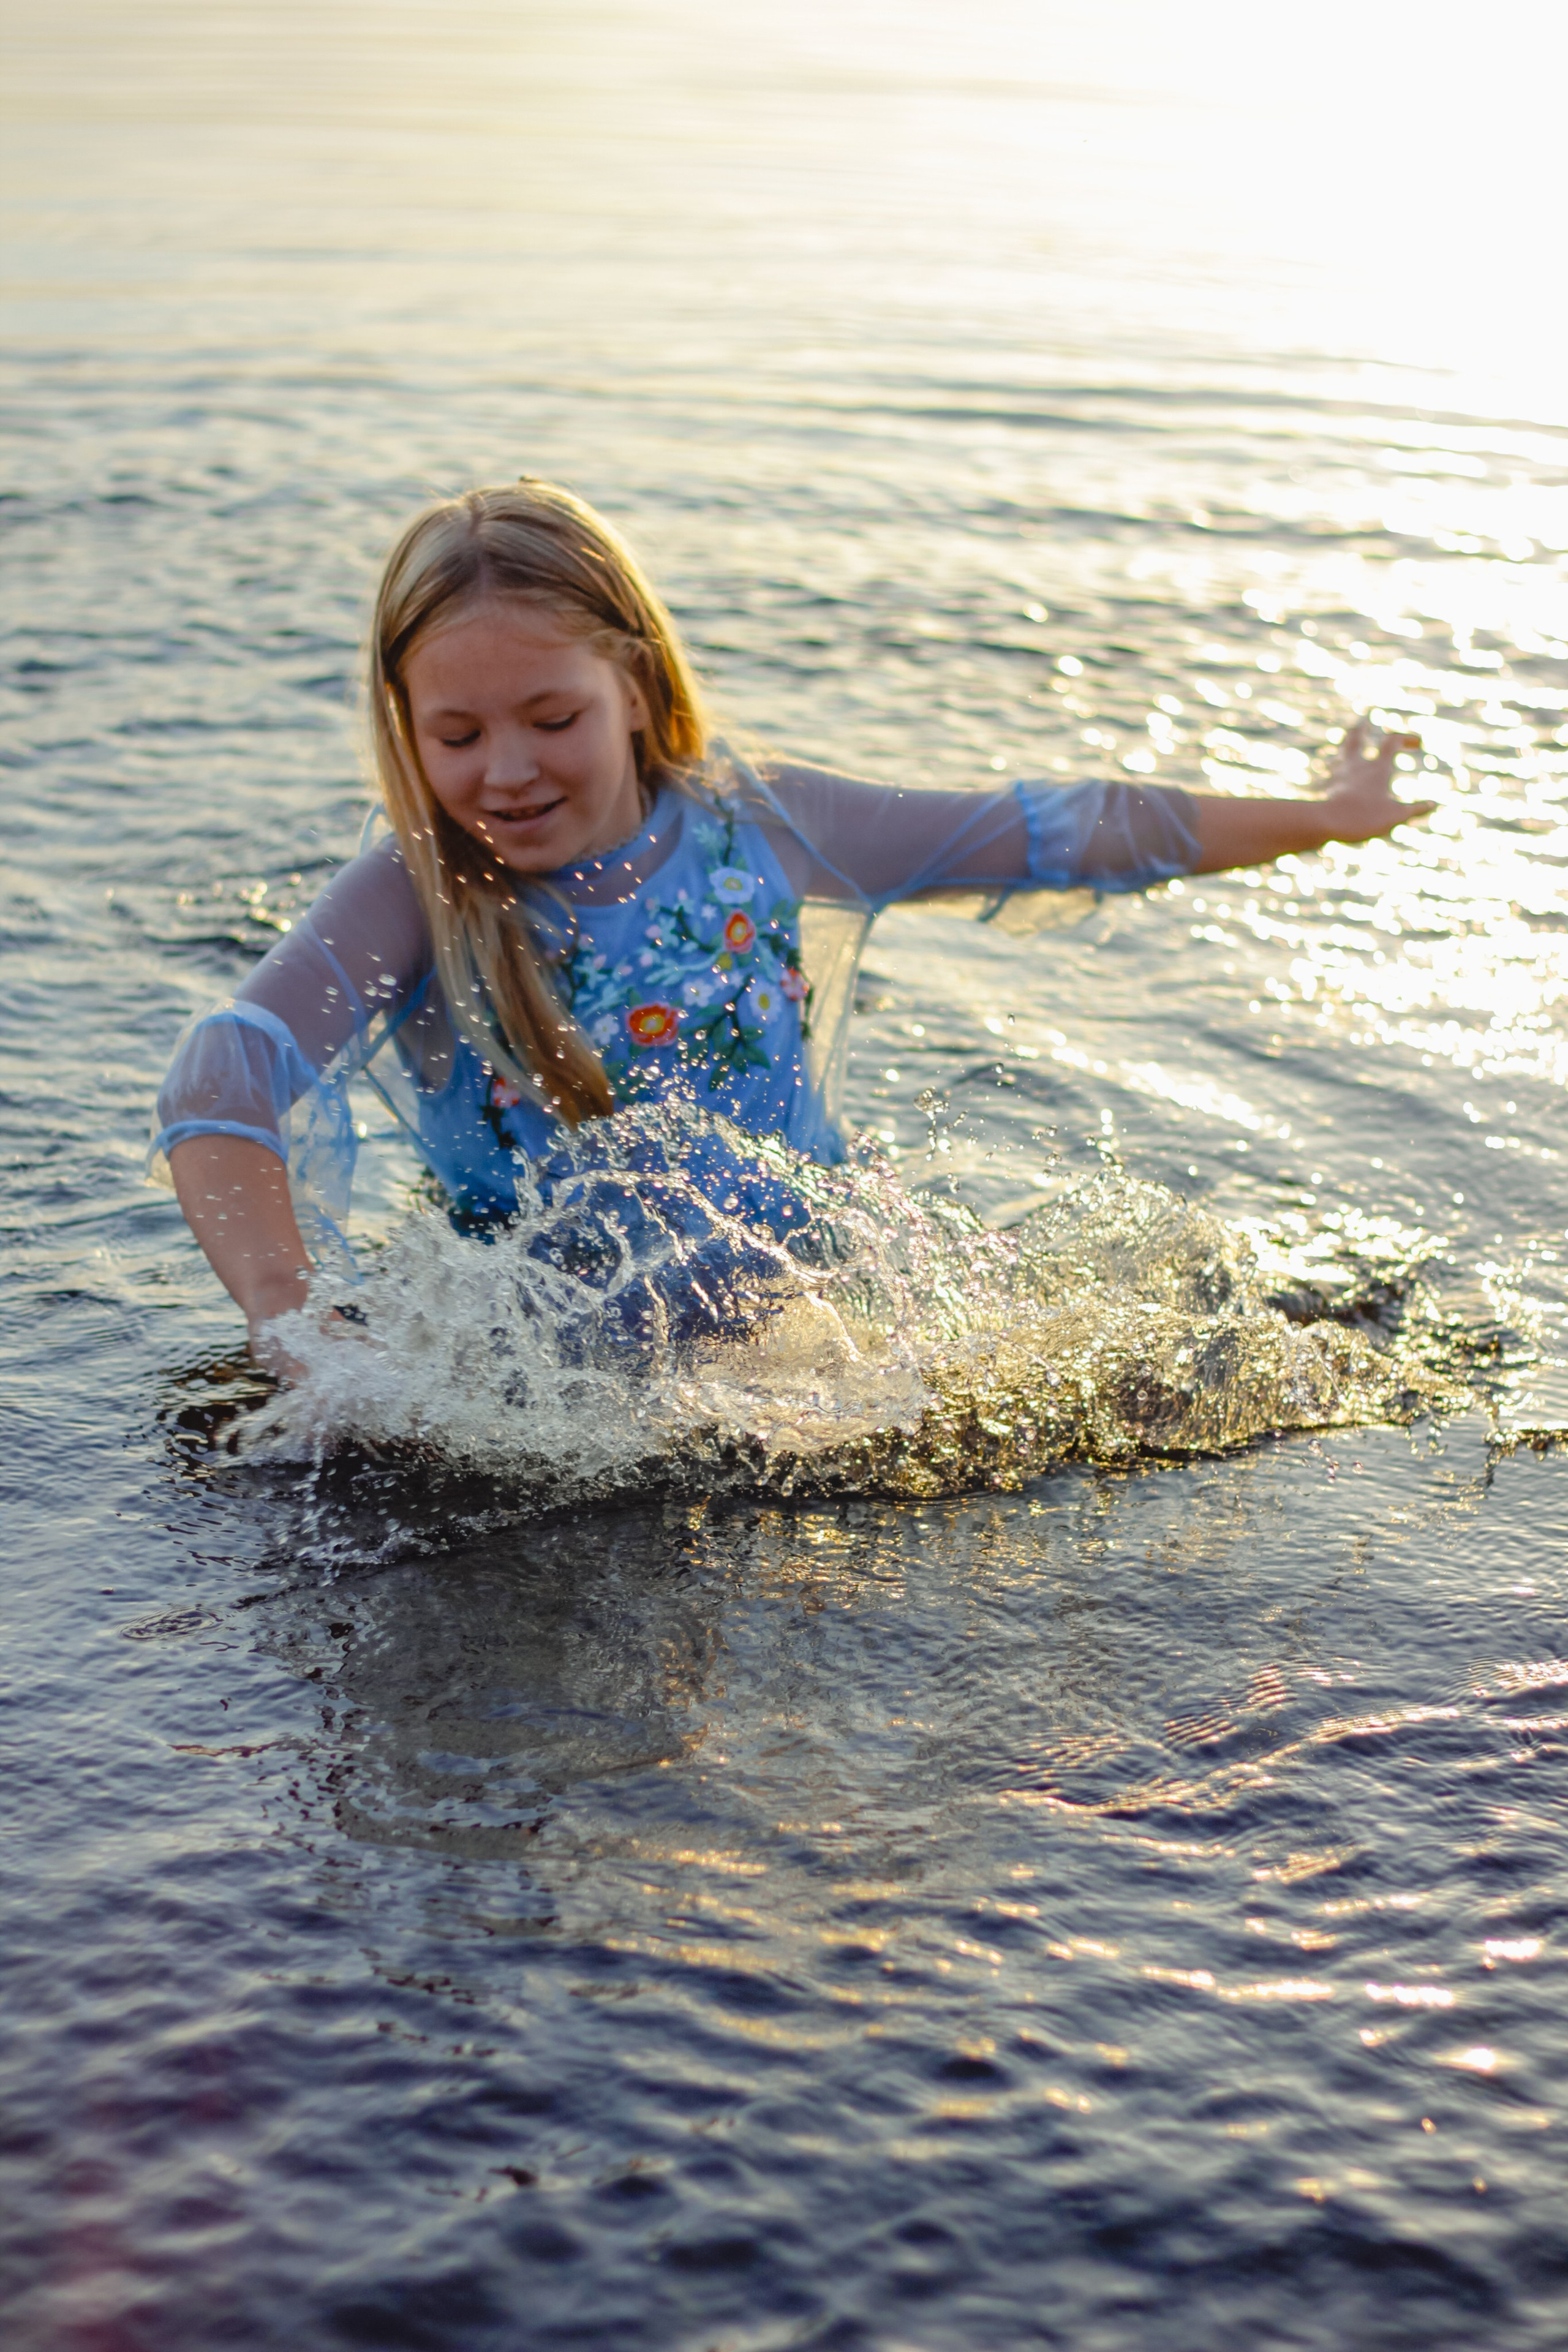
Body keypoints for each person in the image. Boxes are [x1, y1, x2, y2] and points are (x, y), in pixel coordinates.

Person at [153, 480, 1431, 1368]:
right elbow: (226, 1067)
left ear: (637, 685)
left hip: (815, 1306)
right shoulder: (413, 894)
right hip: (541, 1347)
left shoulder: (763, 827)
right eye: (457, 733)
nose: (506, 771)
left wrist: (1321, 817)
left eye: (552, 718)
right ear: (404, 728)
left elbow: (1056, 830)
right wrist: (290, 1323)